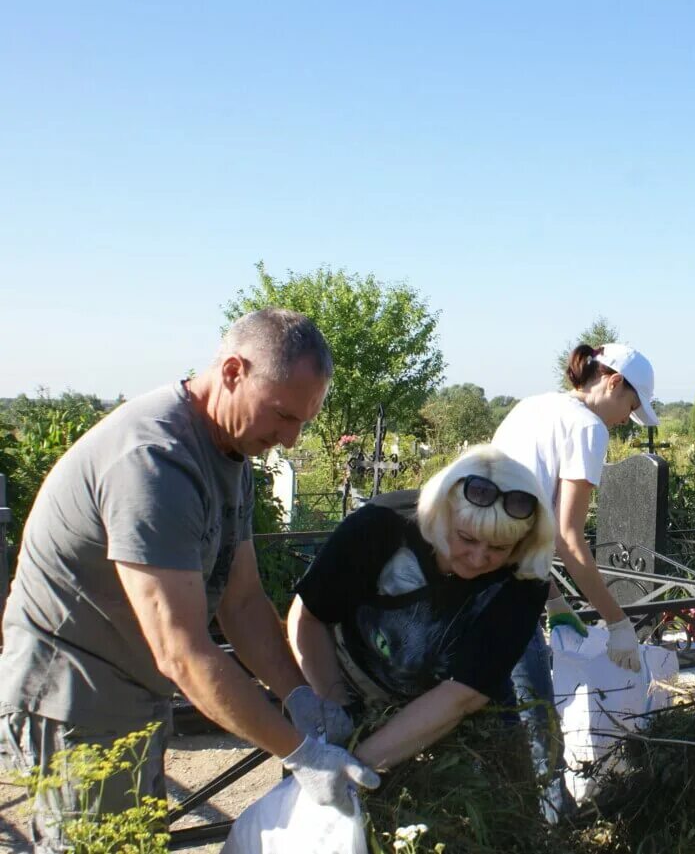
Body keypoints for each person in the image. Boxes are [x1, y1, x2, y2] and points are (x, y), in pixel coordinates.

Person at [0, 309, 377, 852]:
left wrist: (299, 697)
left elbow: (242, 600)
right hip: (74, 697)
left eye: (303, 421)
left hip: (131, 689)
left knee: (139, 842)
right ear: (231, 371)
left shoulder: (232, 447)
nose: (291, 440)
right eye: (282, 416)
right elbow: (181, 651)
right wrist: (301, 753)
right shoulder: (153, 462)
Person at [286, 445, 556, 772]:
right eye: (466, 539)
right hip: (346, 684)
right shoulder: (380, 525)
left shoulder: (523, 580)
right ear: (444, 514)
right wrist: (336, 719)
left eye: (499, 548)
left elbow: (461, 695)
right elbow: (309, 615)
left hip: (458, 720)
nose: (478, 558)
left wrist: (355, 766)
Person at [491, 341, 660, 821]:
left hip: (474, 565)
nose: (627, 418)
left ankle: (510, 816)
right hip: (502, 588)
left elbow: (514, 517)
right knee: (536, 720)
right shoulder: (588, 427)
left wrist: (555, 600)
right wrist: (618, 622)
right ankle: (548, 829)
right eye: (630, 405)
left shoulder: (532, 407)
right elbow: (568, 539)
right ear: (612, 381)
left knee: (494, 713)